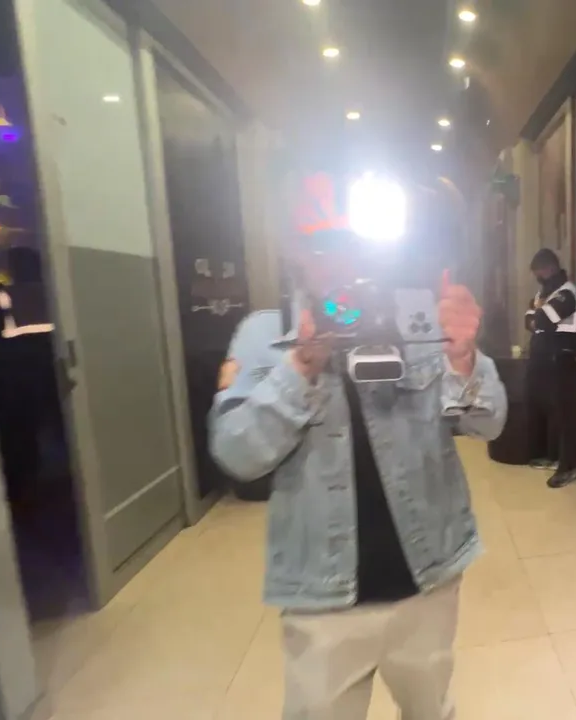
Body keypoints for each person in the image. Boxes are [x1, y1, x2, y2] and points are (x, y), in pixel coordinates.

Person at [209, 239, 507, 719]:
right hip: (322, 598)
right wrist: (300, 367)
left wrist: (464, 359)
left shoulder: (420, 318)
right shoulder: (266, 334)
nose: (340, 259)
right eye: (321, 245)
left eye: (352, 242)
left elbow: (488, 424)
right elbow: (236, 454)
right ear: (295, 252)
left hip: (428, 579)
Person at [524, 248, 576, 488]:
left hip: (563, 360)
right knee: (548, 409)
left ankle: (568, 467)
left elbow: (542, 320)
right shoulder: (544, 293)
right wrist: (537, 315)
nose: (537, 277)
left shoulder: (566, 293)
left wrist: (538, 315)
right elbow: (529, 321)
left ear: (549, 268)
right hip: (545, 359)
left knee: (566, 414)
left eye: (539, 272)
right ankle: (552, 456)